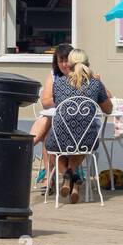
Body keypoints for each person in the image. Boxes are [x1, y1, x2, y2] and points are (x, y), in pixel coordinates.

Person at [43, 48, 113, 203]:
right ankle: (74, 177)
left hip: (61, 137)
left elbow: (54, 102)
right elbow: (108, 109)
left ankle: (67, 176)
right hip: (86, 139)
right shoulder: (95, 83)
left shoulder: (59, 83)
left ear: (70, 64)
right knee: (82, 141)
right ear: (87, 63)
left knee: (51, 147)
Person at [30, 44, 71, 189]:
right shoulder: (54, 74)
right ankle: (51, 177)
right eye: (61, 61)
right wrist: (65, 98)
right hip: (56, 121)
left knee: (47, 129)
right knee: (48, 132)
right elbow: (45, 101)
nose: (64, 64)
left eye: (67, 60)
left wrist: (59, 98)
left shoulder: (80, 75)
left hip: (74, 124)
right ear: (56, 62)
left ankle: (26, 146)